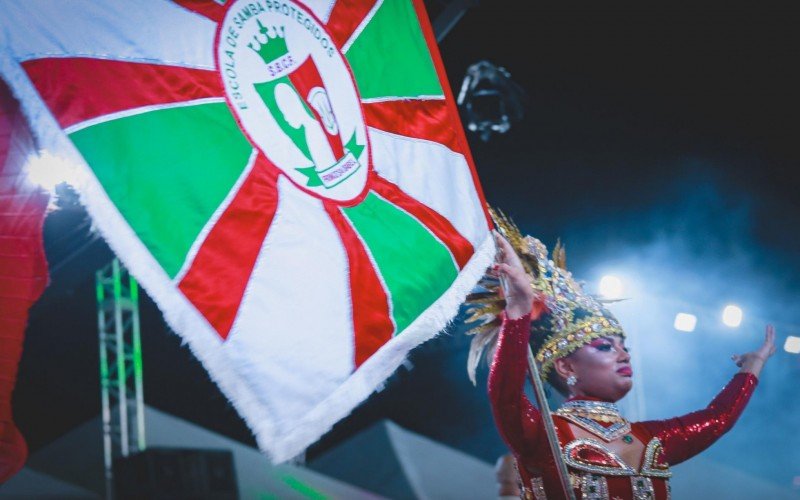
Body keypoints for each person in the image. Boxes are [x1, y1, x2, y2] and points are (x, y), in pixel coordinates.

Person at [468, 224, 775, 500]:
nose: (624, 354)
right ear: (566, 367)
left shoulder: (651, 439)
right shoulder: (545, 434)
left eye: (623, 347)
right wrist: (519, 311)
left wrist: (753, 366)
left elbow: (717, 418)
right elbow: (505, 396)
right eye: (605, 347)